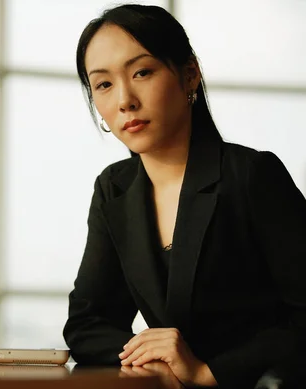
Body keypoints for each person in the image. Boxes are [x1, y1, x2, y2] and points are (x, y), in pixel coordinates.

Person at [62, 4, 306, 389]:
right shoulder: (114, 187)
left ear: (189, 75)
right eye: (104, 84)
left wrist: (210, 372)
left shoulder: (251, 175)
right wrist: (150, 358)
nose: (124, 100)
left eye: (142, 72)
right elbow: (87, 323)